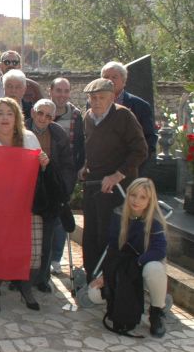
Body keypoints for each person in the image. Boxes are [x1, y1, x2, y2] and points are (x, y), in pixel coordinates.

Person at [0, 97, 49, 314]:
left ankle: (25, 288)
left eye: (9, 113)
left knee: (28, 249)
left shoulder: (29, 139)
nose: (5, 118)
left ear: (17, 117)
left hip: (27, 204)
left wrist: (44, 163)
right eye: (0, 113)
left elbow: (41, 173)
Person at [79, 78, 148, 282]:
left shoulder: (123, 116)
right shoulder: (88, 118)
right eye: (93, 98)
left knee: (108, 233)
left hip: (118, 185)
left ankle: (109, 278)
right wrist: (85, 166)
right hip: (94, 184)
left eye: (101, 97)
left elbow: (140, 150)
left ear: (112, 97)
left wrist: (118, 174)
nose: (96, 102)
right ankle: (92, 274)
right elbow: (90, 148)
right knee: (90, 231)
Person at [92, 178, 168, 338]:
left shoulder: (154, 220)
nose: (136, 200)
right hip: (123, 265)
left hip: (144, 265)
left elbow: (159, 250)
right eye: (133, 195)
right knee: (94, 294)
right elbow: (112, 248)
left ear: (149, 200)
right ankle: (125, 306)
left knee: (154, 268)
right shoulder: (118, 215)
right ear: (128, 195)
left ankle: (157, 312)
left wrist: (137, 263)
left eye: (143, 197)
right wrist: (106, 274)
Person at [24, 99, 76, 292]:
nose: (43, 118)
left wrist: (64, 191)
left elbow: (68, 165)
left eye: (48, 115)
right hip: (25, 190)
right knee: (26, 237)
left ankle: (42, 278)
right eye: (40, 113)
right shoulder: (21, 130)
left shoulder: (58, 134)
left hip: (49, 191)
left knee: (47, 238)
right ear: (32, 112)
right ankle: (19, 277)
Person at [48, 77, 84, 273]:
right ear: (51, 91)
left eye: (65, 91)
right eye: (58, 90)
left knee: (61, 217)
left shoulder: (77, 116)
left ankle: (56, 258)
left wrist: (75, 172)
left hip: (65, 173)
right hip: (44, 173)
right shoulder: (42, 111)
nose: (62, 95)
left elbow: (80, 145)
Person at [100, 61, 157, 158]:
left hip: (129, 167)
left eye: (114, 77)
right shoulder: (94, 103)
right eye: (106, 77)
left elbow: (149, 139)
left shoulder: (140, 106)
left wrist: (135, 164)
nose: (109, 80)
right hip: (101, 166)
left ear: (124, 81)